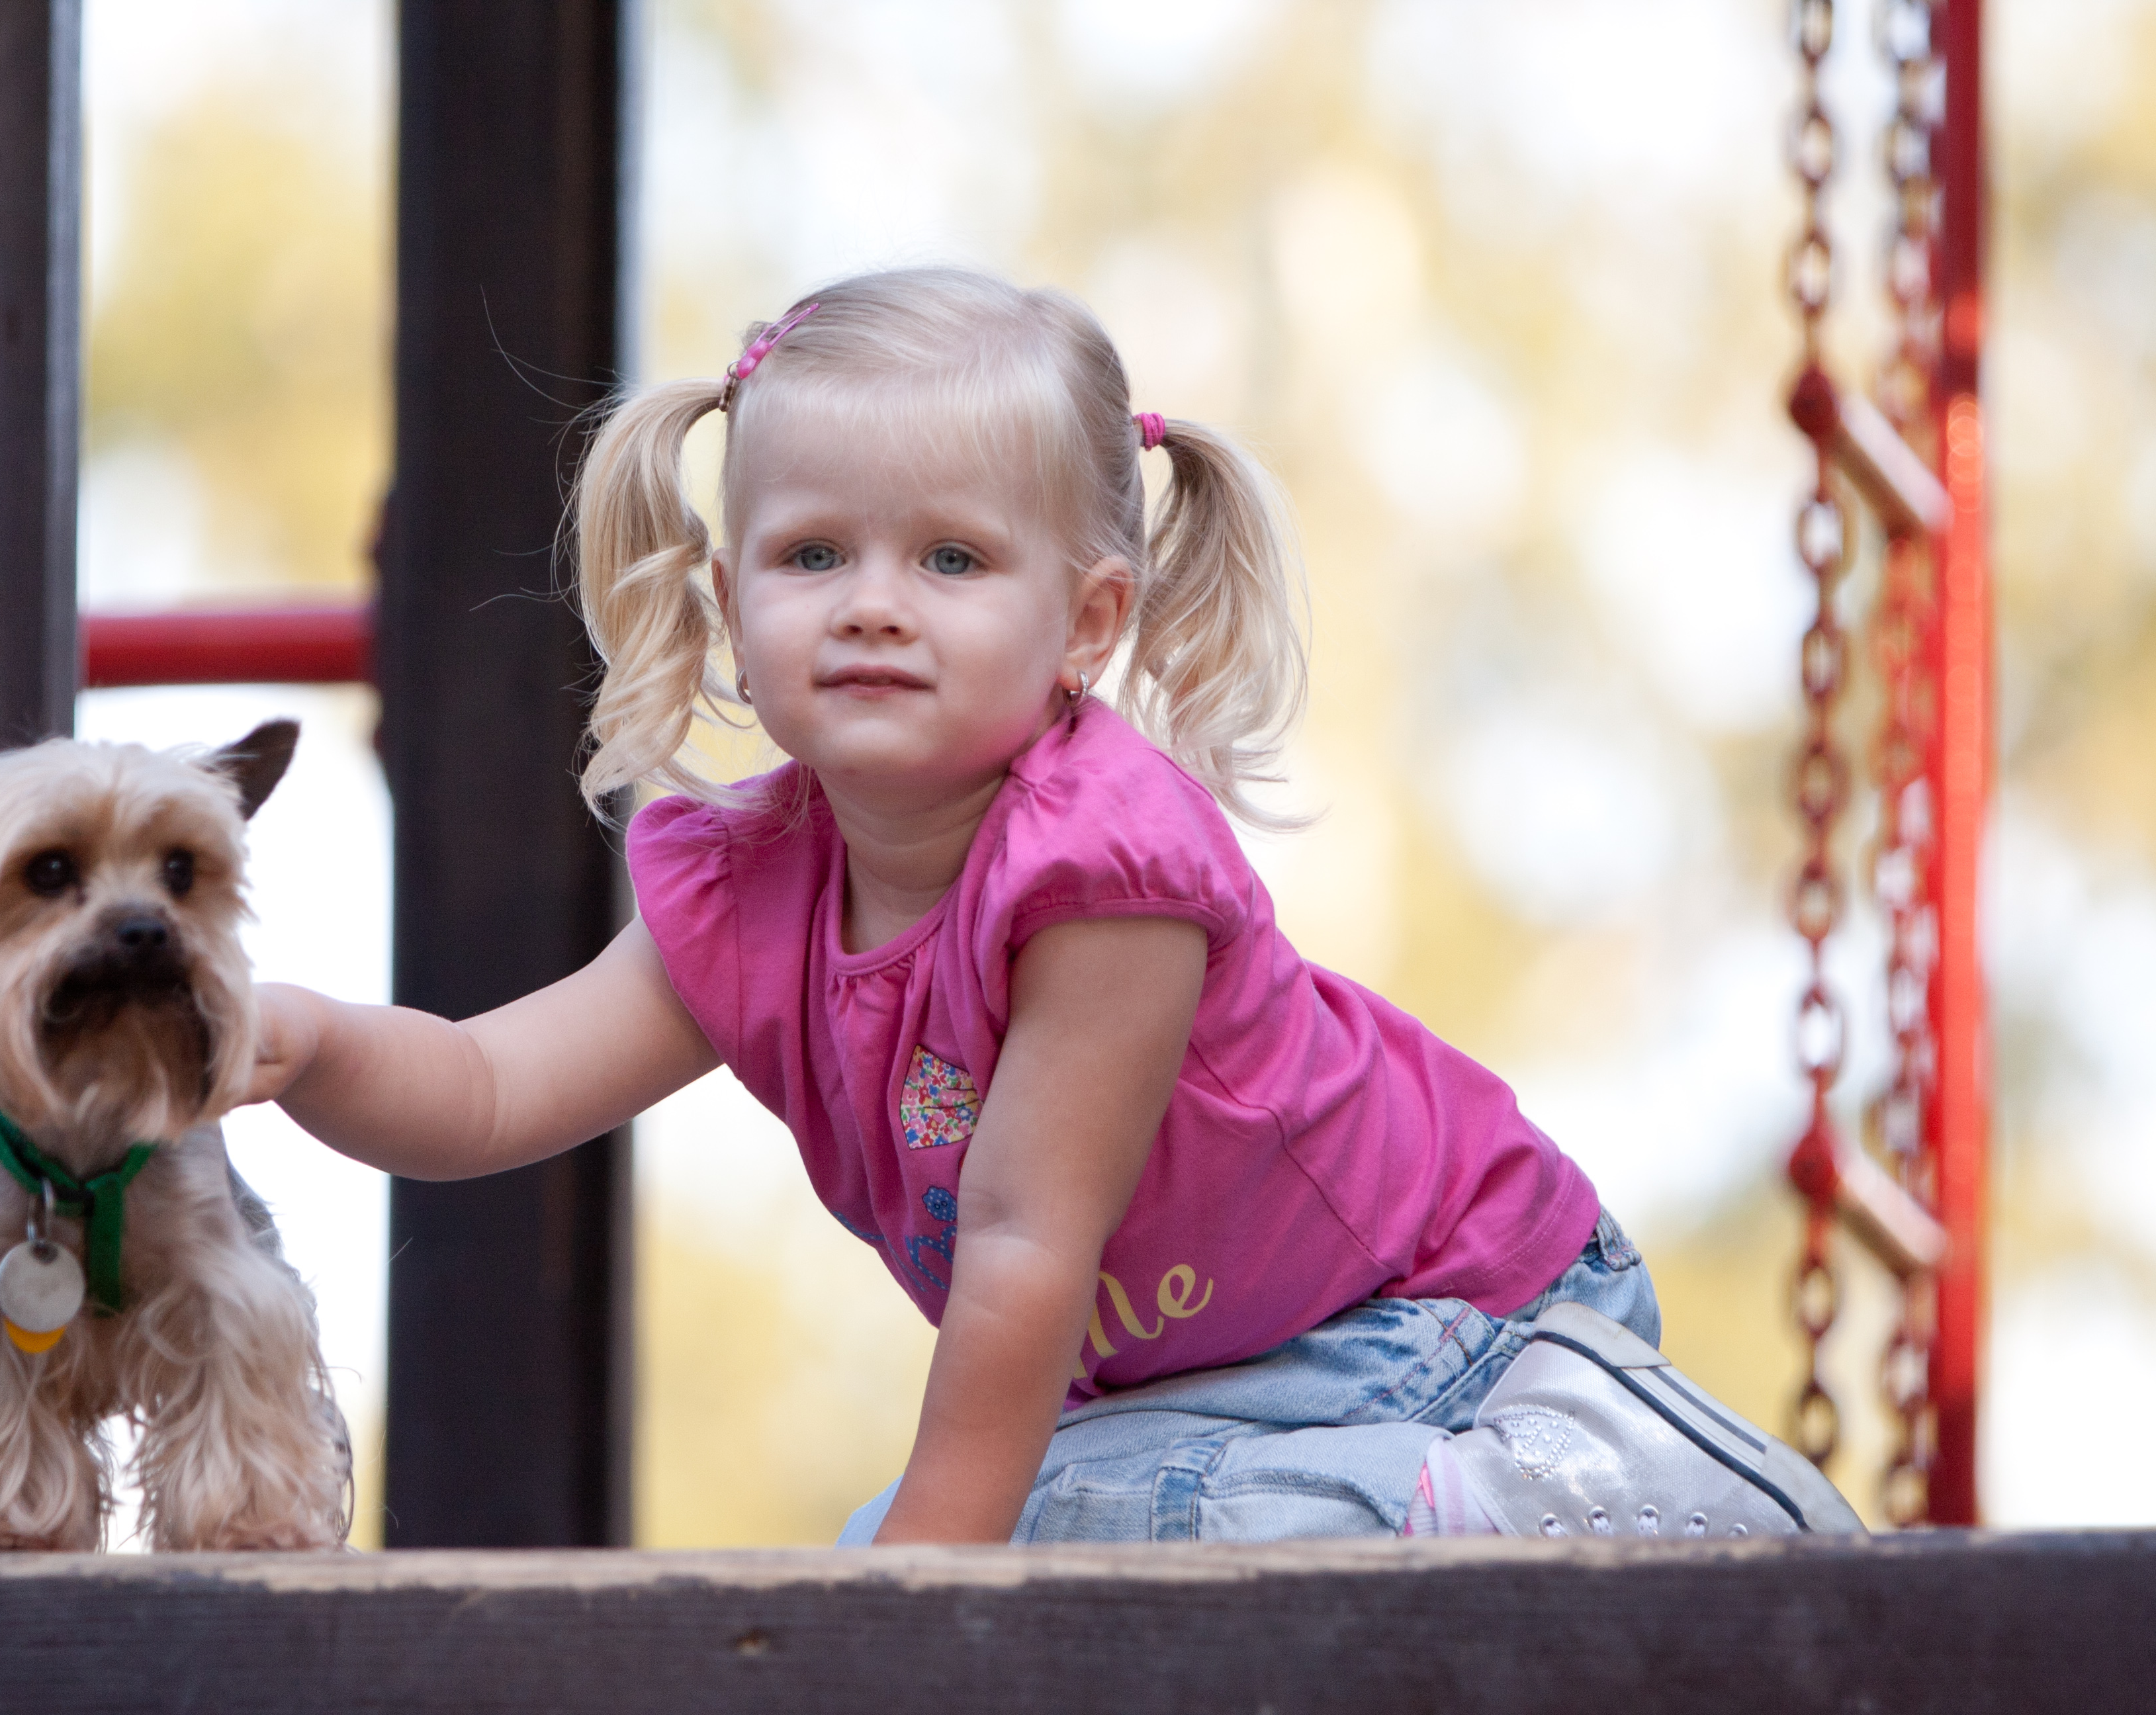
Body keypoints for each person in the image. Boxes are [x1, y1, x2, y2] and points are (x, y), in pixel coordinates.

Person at [246, 266, 1859, 1544]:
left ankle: (1597, 1501)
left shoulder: (1100, 864)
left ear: (1085, 624)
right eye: (813, 554)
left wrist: (924, 1603)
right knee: (924, 1529)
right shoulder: (747, 892)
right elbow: (485, 1087)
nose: (875, 603)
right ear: (732, 604)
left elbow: (1022, 1244)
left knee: (985, 1540)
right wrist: (302, 1042)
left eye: (951, 560)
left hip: (1449, 1326)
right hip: (1204, 1386)